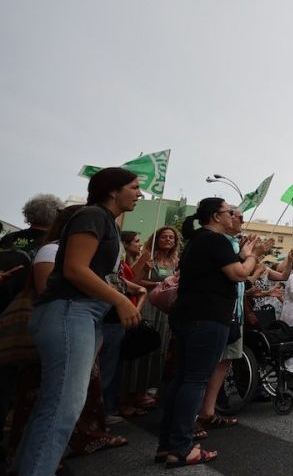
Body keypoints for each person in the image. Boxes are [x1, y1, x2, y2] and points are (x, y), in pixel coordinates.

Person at [16, 168, 142, 476]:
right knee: (63, 409)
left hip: (82, 315)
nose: (139, 194)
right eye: (134, 187)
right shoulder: (93, 216)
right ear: (113, 191)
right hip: (71, 312)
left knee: (55, 404)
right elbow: (74, 269)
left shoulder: (105, 222)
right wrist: (120, 299)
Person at [157, 198, 265, 468]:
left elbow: (226, 267)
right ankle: (182, 448)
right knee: (194, 381)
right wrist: (253, 256)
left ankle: (168, 444)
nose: (234, 216)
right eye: (230, 212)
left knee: (182, 379)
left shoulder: (198, 241)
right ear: (217, 216)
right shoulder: (215, 240)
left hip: (187, 316)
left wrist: (245, 252)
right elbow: (239, 273)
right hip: (208, 318)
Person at [122, 225, 180, 416]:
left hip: (164, 310)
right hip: (148, 305)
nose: (168, 240)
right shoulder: (147, 255)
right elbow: (133, 280)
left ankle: (144, 391)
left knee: (159, 350)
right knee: (141, 349)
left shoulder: (175, 260)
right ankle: (128, 394)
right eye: (164, 236)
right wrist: (158, 283)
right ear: (157, 238)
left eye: (171, 237)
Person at [98, 230, 142, 420]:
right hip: (106, 320)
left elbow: (138, 289)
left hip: (117, 320)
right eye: (136, 241)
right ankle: (99, 413)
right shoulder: (105, 267)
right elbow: (136, 285)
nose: (139, 244)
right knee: (105, 369)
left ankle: (106, 409)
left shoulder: (118, 268)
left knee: (113, 367)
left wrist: (133, 309)